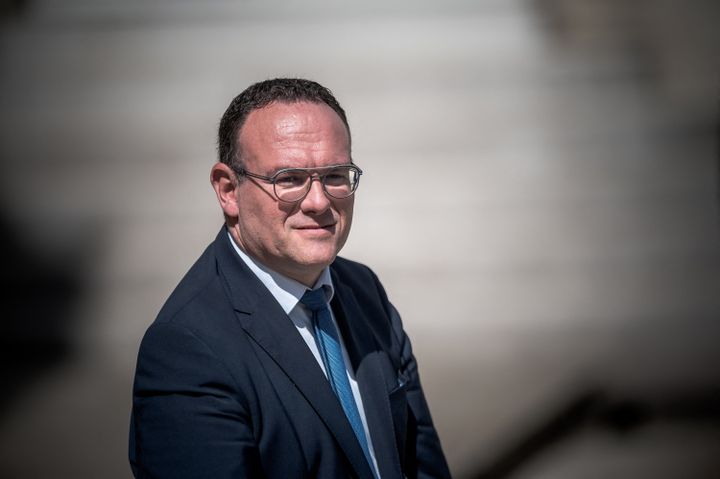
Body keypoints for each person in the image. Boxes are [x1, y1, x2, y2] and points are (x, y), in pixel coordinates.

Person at [129, 78, 451, 479]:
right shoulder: (187, 350)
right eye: (289, 179)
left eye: (335, 175)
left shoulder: (363, 291)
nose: (318, 202)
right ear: (228, 189)